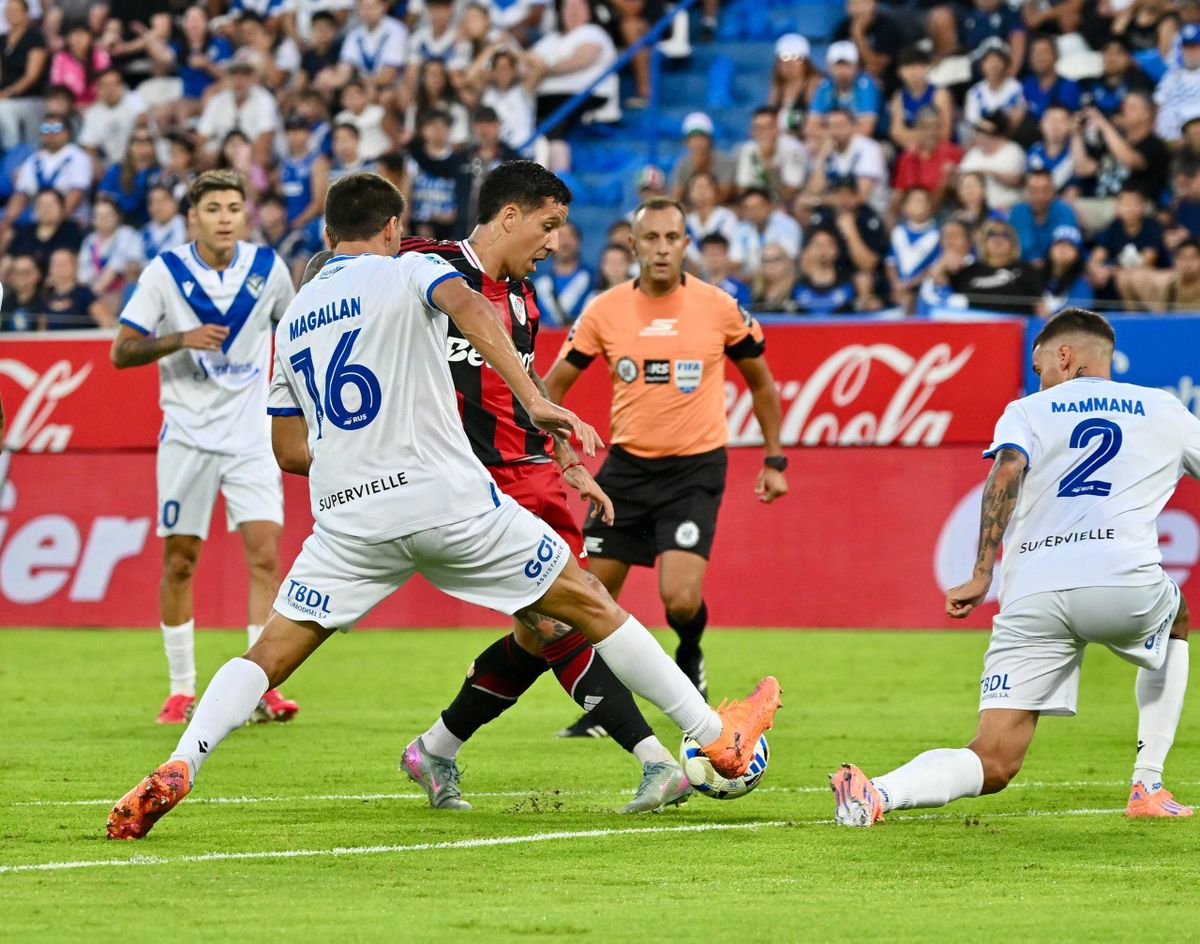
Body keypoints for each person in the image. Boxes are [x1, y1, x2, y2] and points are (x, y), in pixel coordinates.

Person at [105, 172, 782, 840]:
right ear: (394, 228)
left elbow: (287, 449)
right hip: (443, 496)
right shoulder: (411, 268)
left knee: (268, 653)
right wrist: (536, 396)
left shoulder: (297, 315)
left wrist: (359, 454)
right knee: (590, 605)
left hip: (347, 518)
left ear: (326, 233)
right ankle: (714, 737)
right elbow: (469, 306)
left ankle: (180, 761)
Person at [395, 162, 691, 811]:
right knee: (563, 615)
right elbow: (345, 265)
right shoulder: (426, 269)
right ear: (509, 216)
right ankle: (657, 759)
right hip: (470, 486)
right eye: (549, 225)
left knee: (541, 634)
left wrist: (570, 463)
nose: (557, 242)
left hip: (534, 479)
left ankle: (435, 749)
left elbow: (525, 396)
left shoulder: (524, 299)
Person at [832, 309, 1197, 826]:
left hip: (1032, 592)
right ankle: (1148, 783)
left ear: (1064, 356)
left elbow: (1007, 469)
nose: (1039, 376)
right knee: (1177, 617)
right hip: (1123, 581)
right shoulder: (1164, 409)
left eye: (1040, 365)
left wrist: (982, 573)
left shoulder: (1027, 410)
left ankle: (878, 793)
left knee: (994, 757)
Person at [546, 196, 789, 711]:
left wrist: (774, 459)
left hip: (694, 469)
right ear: (632, 245)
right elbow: (551, 388)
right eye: (650, 238)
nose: (661, 249)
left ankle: (691, 651)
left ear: (685, 243)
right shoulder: (604, 310)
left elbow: (762, 384)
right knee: (590, 598)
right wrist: (560, 448)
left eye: (671, 238)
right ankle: (608, 707)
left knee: (679, 599)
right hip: (626, 470)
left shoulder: (720, 308)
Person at [108, 170, 300, 725]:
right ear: (193, 216)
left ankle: (261, 684)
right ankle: (180, 687)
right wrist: (180, 338)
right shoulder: (164, 273)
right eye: (212, 207)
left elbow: (291, 339)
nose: (223, 217)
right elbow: (122, 351)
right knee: (180, 562)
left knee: (265, 557)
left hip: (250, 439)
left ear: (245, 215)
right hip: (187, 439)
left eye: (233, 207)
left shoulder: (268, 271)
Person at [951, 218, 1043, 314]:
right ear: (983, 241)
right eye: (992, 234)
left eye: (1005, 235)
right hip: (977, 326)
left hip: (1017, 327)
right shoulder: (969, 271)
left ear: (1013, 242)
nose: (998, 239)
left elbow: (1040, 308)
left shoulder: (1027, 271)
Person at [892, 106, 963, 210]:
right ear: (917, 129)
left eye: (936, 127)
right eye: (926, 127)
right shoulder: (908, 158)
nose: (932, 132)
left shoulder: (954, 153)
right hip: (915, 211)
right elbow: (899, 194)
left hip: (944, 210)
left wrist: (946, 181)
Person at [886, 186, 941, 312]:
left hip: (922, 288)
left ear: (930, 206)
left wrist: (908, 285)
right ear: (904, 207)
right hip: (897, 287)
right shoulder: (898, 232)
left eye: (923, 200)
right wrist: (896, 283)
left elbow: (932, 268)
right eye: (915, 200)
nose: (919, 204)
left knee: (910, 301)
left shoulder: (937, 234)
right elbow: (890, 262)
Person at [1008, 168, 1079, 263]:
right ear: (1026, 191)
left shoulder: (1064, 211)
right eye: (1033, 190)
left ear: (1053, 191)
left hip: (1055, 270)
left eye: (1045, 190)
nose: (1039, 195)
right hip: (1023, 269)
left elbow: (1066, 250)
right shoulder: (1017, 212)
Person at [530, 219, 593, 326]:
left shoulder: (595, 280)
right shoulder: (537, 285)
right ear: (549, 244)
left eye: (570, 236)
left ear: (579, 242)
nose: (565, 241)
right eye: (560, 236)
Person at [669, 112, 736, 203]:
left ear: (710, 140)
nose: (698, 142)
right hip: (692, 211)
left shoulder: (725, 162)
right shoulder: (682, 165)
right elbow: (675, 198)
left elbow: (723, 196)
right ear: (686, 142)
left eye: (701, 137)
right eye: (693, 138)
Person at [42, 246, 112, 329]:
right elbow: (42, 330)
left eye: (64, 263)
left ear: (75, 266)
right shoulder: (45, 295)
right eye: (56, 264)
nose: (60, 267)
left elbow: (107, 323)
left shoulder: (85, 293)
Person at [1040, 225, 1093, 312]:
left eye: (1070, 245)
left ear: (1078, 255)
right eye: (1059, 243)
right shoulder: (1035, 275)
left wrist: (1048, 314)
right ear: (1049, 249)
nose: (1063, 249)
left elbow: (1079, 315)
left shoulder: (1083, 283)